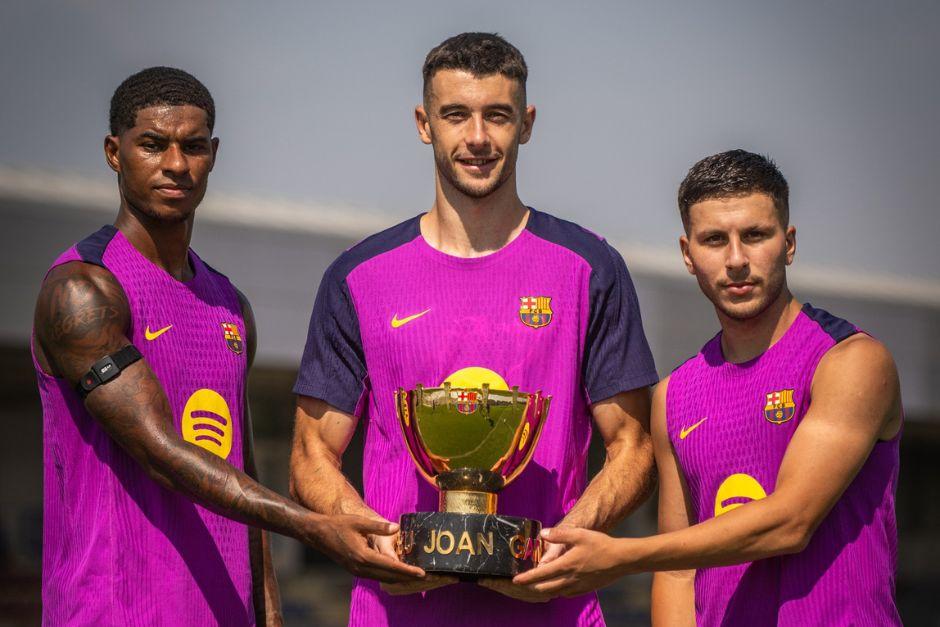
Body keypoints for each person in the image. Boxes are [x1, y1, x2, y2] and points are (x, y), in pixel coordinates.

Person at [289, 33, 659, 626]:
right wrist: (368, 535)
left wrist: (565, 543)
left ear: (528, 123)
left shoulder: (591, 268)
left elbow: (634, 446)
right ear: (423, 122)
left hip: (553, 612)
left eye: (498, 116)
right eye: (456, 115)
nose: (478, 138)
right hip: (397, 612)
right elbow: (311, 451)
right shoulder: (358, 276)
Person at [32, 66, 420, 626]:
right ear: (114, 153)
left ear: (212, 154)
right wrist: (313, 526)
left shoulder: (229, 307)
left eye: (192, 147)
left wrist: (269, 611)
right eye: (152, 145)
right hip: (113, 610)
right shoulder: (82, 291)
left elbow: (241, 466)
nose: (174, 164)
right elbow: (160, 452)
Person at [513, 150, 902, 625]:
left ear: (790, 242)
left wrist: (621, 556)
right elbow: (678, 577)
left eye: (755, 235)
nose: (736, 259)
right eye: (715, 240)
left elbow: (790, 522)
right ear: (688, 254)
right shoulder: (675, 394)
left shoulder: (851, 362)